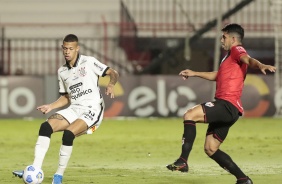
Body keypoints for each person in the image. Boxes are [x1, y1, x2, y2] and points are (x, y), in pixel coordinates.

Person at [166, 23, 276, 184]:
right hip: (232, 110)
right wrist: (194, 73)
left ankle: (183, 160)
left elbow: (248, 59)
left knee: (190, 115)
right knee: (210, 148)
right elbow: (218, 75)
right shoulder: (229, 58)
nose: (221, 40)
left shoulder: (237, 50)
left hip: (226, 105)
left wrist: (261, 65)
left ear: (233, 38)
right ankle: (243, 179)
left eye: (223, 37)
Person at [12, 34, 119, 184]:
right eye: (65, 48)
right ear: (62, 49)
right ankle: (35, 168)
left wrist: (111, 84)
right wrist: (50, 106)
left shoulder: (89, 62)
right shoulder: (62, 71)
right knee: (45, 127)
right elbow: (66, 98)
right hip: (74, 108)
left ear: (77, 49)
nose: (67, 51)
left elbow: (113, 73)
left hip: (92, 109)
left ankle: (58, 176)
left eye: (71, 48)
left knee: (68, 135)